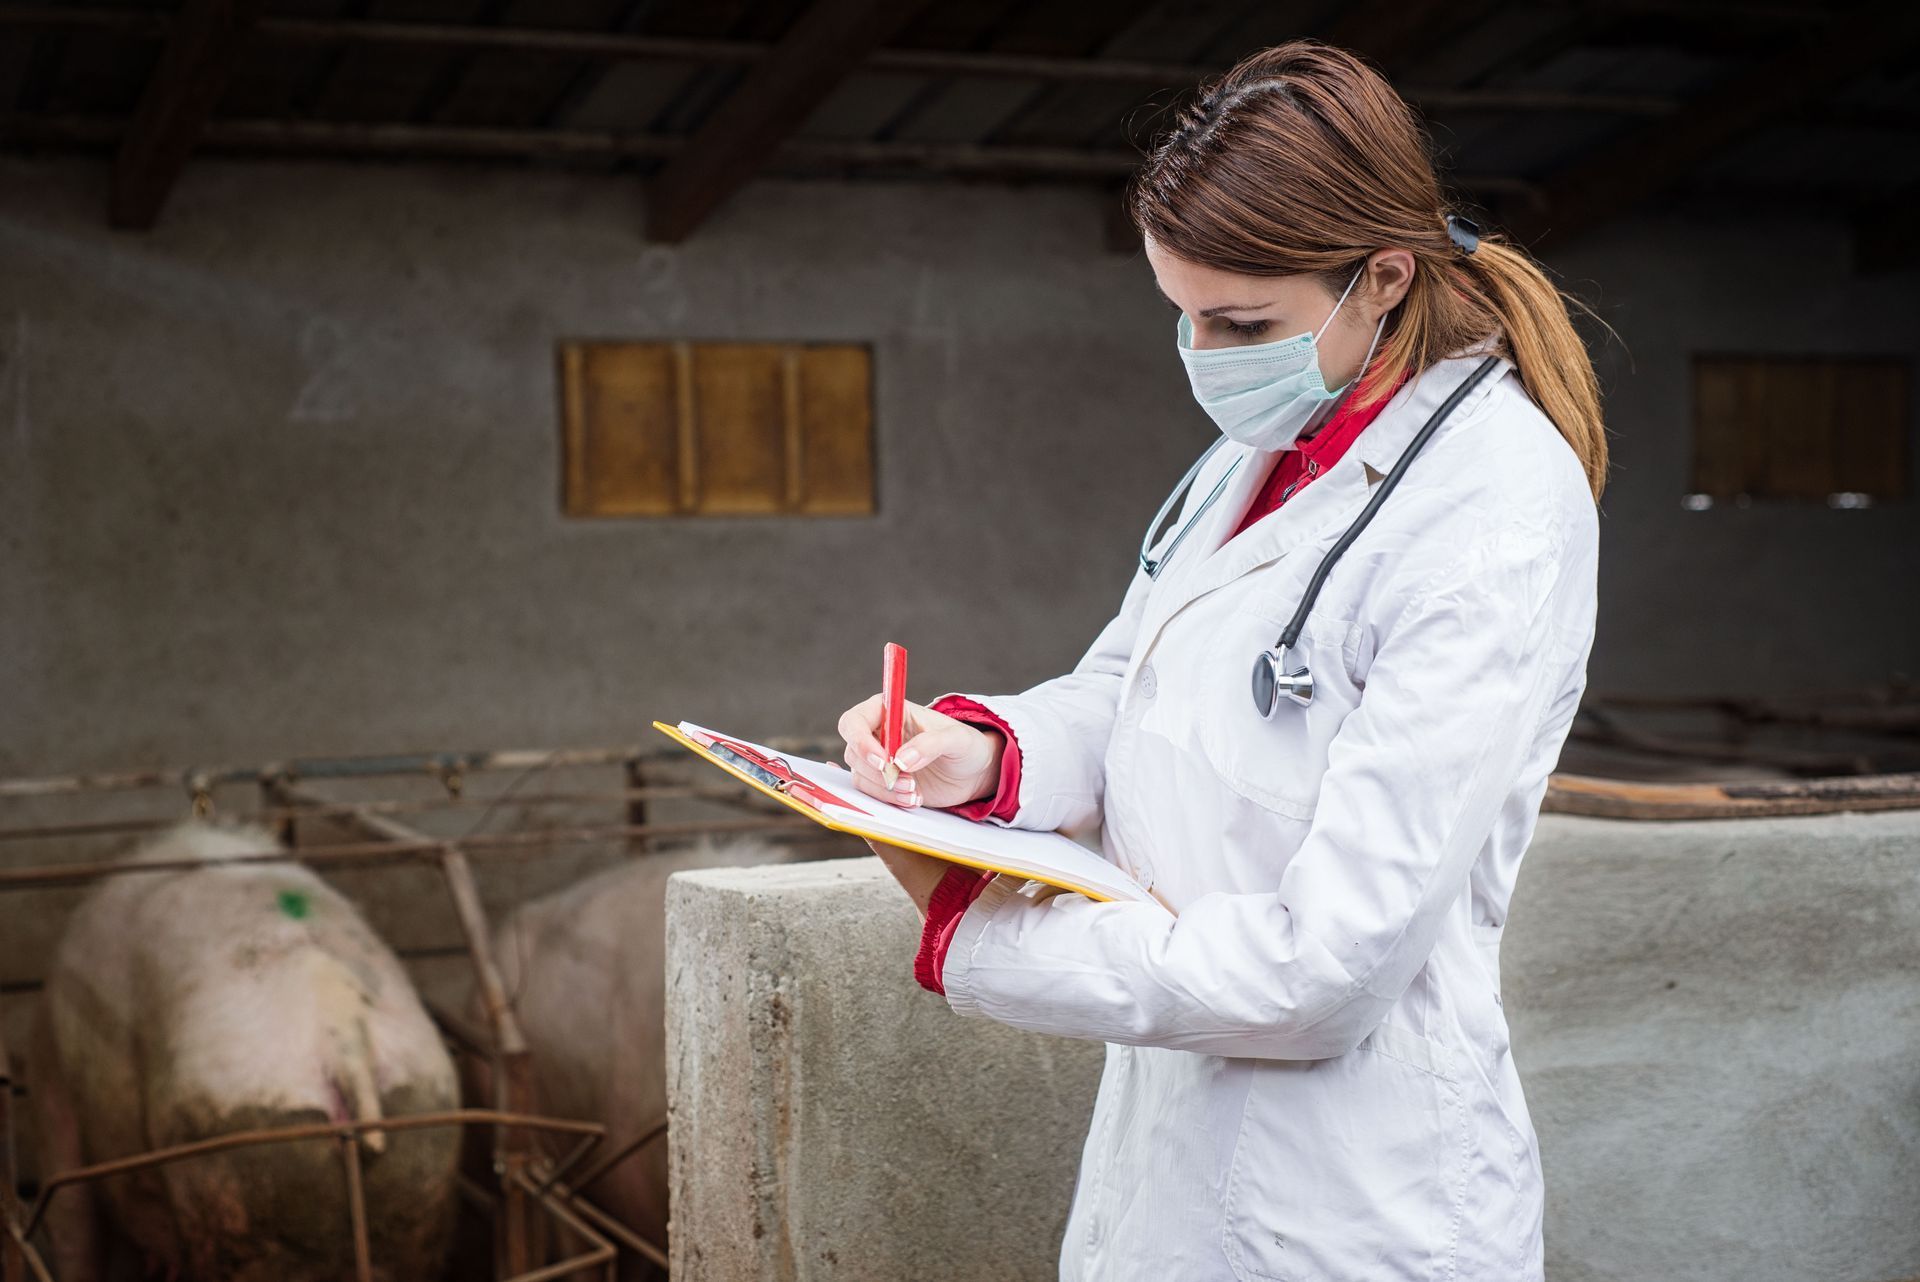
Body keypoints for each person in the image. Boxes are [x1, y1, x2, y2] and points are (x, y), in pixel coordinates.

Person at [835, 40, 1605, 1282]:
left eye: (1241, 323)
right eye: (1183, 315)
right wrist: (978, 756)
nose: (1202, 354)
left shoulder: (1495, 511)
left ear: (1384, 279)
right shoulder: (1255, 455)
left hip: (1355, 1204)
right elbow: (1126, 687)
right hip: (1171, 1163)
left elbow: (1325, 969)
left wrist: (971, 927)